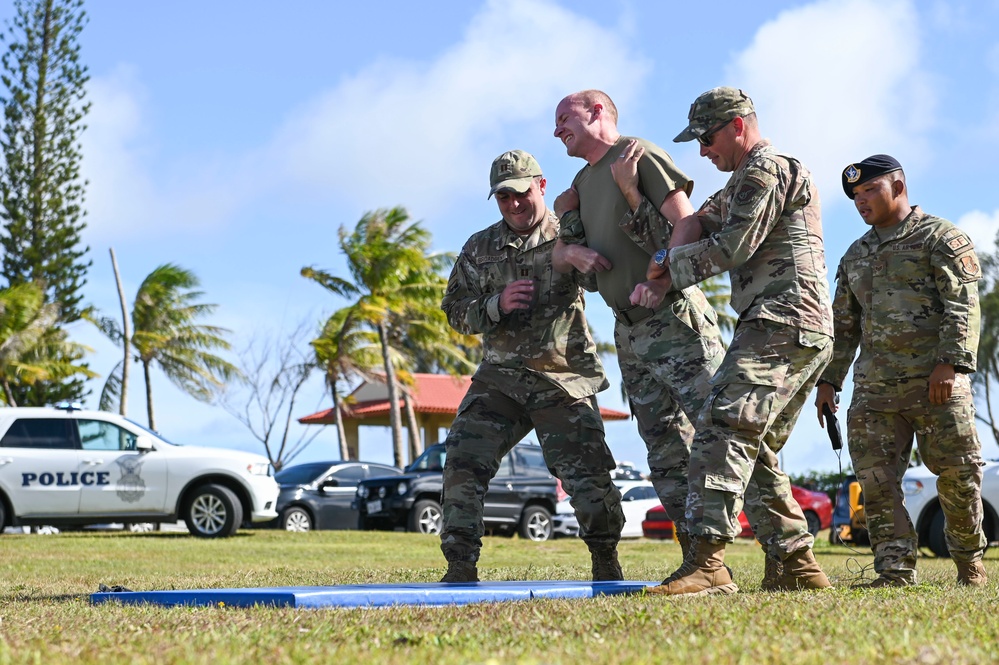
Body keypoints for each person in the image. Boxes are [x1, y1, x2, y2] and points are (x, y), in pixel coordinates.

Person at [640, 86, 834, 596]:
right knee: (755, 445)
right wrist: (676, 236)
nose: (702, 151)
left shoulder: (767, 170)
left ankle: (708, 565)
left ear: (738, 126)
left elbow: (732, 245)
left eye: (706, 138)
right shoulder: (742, 180)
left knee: (721, 425)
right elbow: (701, 218)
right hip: (792, 325)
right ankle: (795, 564)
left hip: (782, 320)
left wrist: (664, 266)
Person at [550, 89, 724, 562]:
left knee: (723, 433)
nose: (557, 129)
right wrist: (567, 226)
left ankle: (790, 555)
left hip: (674, 319)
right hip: (628, 332)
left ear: (598, 112)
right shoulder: (581, 184)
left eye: (565, 117)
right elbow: (584, 274)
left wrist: (663, 280)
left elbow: (686, 229)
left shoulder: (638, 155)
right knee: (665, 451)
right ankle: (700, 562)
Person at [438, 149, 625, 583]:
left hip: (562, 378)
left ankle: (605, 561)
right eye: (503, 197)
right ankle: (460, 565)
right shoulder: (479, 247)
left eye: (521, 193)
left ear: (540, 186)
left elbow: (605, 276)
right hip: (500, 380)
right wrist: (493, 305)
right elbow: (453, 309)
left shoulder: (571, 234)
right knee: (463, 459)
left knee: (588, 477)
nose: (514, 204)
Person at [815, 154, 988, 588]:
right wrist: (829, 380)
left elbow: (962, 306)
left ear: (898, 185)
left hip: (935, 383)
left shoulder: (941, 238)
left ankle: (969, 563)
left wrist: (949, 364)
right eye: (856, 196)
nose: (861, 201)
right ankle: (893, 571)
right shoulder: (856, 254)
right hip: (874, 390)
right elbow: (844, 325)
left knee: (958, 475)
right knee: (877, 482)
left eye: (870, 190)